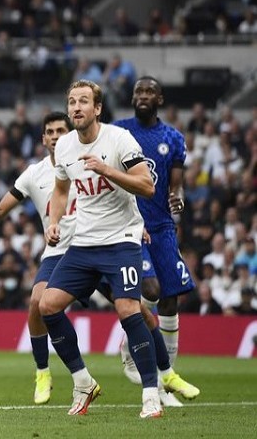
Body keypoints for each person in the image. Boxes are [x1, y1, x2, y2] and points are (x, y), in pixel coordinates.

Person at [40, 79, 165, 419]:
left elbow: (147, 186)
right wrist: (54, 222)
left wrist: (108, 169)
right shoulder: (64, 147)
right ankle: (83, 382)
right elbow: (61, 190)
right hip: (83, 243)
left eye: (83, 101)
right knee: (47, 305)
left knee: (128, 309)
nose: (76, 107)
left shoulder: (119, 139)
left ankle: (151, 394)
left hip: (121, 240)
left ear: (97, 109)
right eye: (71, 102)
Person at [0, 112, 74, 404]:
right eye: (49, 131)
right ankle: (42, 372)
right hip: (58, 250)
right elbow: (1, 209)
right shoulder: (33, 173)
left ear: (70, 134)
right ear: (43, 139)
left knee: (136, 306)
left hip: (96, 246)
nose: (55, 135)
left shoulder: (89, 163)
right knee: (36, 302)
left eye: (61, 130)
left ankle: (163, 374)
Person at [113, 77, 196, 391]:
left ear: (159, 98)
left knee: (170, 300)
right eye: (138, 92)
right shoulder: (118, 132)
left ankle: (167, 378)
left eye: (149, 91)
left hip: (162, 227)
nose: (143, 96)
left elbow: (176, 184)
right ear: (133, 98)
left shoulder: (172, 137)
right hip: (131, 226)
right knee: (149, 287)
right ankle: (130, 341)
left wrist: (179, 197)